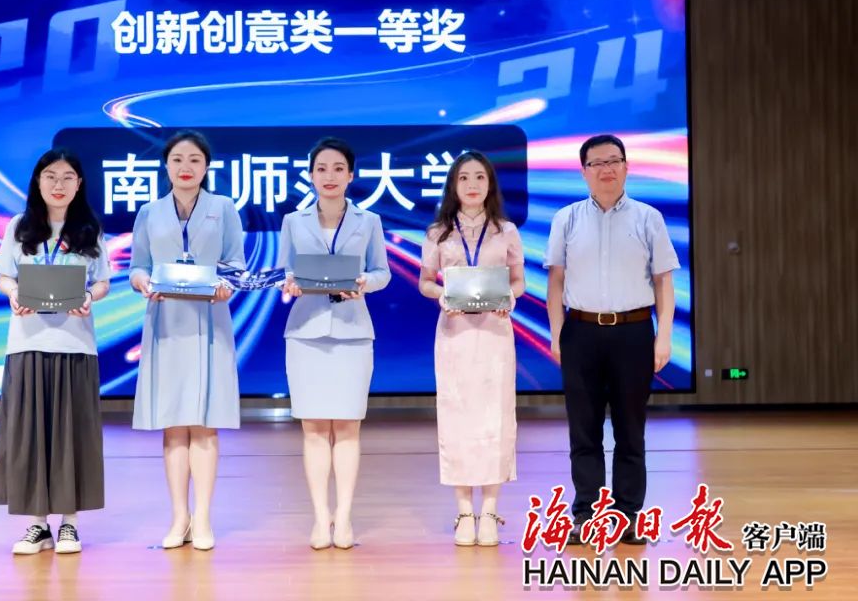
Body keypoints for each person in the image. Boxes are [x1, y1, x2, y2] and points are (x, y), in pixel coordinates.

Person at [544, 134, 679, 544]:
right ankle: (585, 515)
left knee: (630, 429)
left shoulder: (648, 218)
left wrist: (664, 337)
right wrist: (557, 335)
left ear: (626, 166)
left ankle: (627, 516)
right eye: (597, 163)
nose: (606, 169)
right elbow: (555, 282)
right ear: (583, 171)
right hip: (581, 332)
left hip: (633, 332)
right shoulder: (566, 218)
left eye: (614, 160)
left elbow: (663, 282)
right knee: (583, 430)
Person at [0, 148, 111, 555]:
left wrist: (89, 297)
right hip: (27, 343)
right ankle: (38, 525)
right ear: (38, 182)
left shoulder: (89, 229)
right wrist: (13, 294)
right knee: (30, 435)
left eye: (67, 177)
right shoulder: (19, 227)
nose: (58, 185)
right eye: (50, 176)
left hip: (75, 345)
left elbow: (102, 282)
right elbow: (5, 275)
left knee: (72, 435)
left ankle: (70, 524)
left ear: (79, 184)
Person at [130, 131, 244, 551]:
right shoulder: (150, 211)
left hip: (209, 322)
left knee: (205, 423)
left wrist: (226, 284)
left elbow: (235, 264)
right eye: (178, 159)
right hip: (166, 323)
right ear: (166, 165)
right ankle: (180, 517)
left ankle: (204, 517)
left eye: (195, 159)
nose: (186, 167)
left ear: (206, 166)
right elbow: (138, 266)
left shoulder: (223, 208)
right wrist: (142, 282)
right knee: (174, 423)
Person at [279, 137, 391, 550]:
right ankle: (319, 517)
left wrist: (364, 282)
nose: (329, 176)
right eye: (321, 169)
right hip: (305, 332)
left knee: (347, 428)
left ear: (351, 175)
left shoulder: (368, 220)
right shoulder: (294, 221)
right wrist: (290, 284)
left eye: (338, 168)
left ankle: (343, 518)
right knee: (312, 429)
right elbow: (284, 271)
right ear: (310, 175)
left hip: (352, 332)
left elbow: (382, 272)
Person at [417, 150, 525, 546]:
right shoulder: (438, 233)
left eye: (480, 176)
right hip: (456, 334)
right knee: (458, 417)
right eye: (464, 178)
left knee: (496, 418)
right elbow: (425, 281)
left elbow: (518, 281)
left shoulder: (506, 231)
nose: (473, 184)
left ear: (490, 183)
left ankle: (490, 510)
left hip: (495, 335)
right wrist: (442, 295)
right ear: (453, 185)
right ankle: (464, 510)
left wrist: (509, 299)